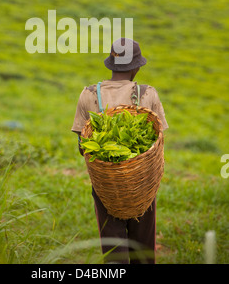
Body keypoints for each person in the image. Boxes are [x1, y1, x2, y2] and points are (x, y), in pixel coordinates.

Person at [71, 38, 168, 264]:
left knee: (113, 246)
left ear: (111, 64)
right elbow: (158, 142)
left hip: (106, 186)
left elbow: (82, 145)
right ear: (135, 67)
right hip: (142, 185)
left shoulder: (89, 94)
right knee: (143, 248)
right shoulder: (147, 94)